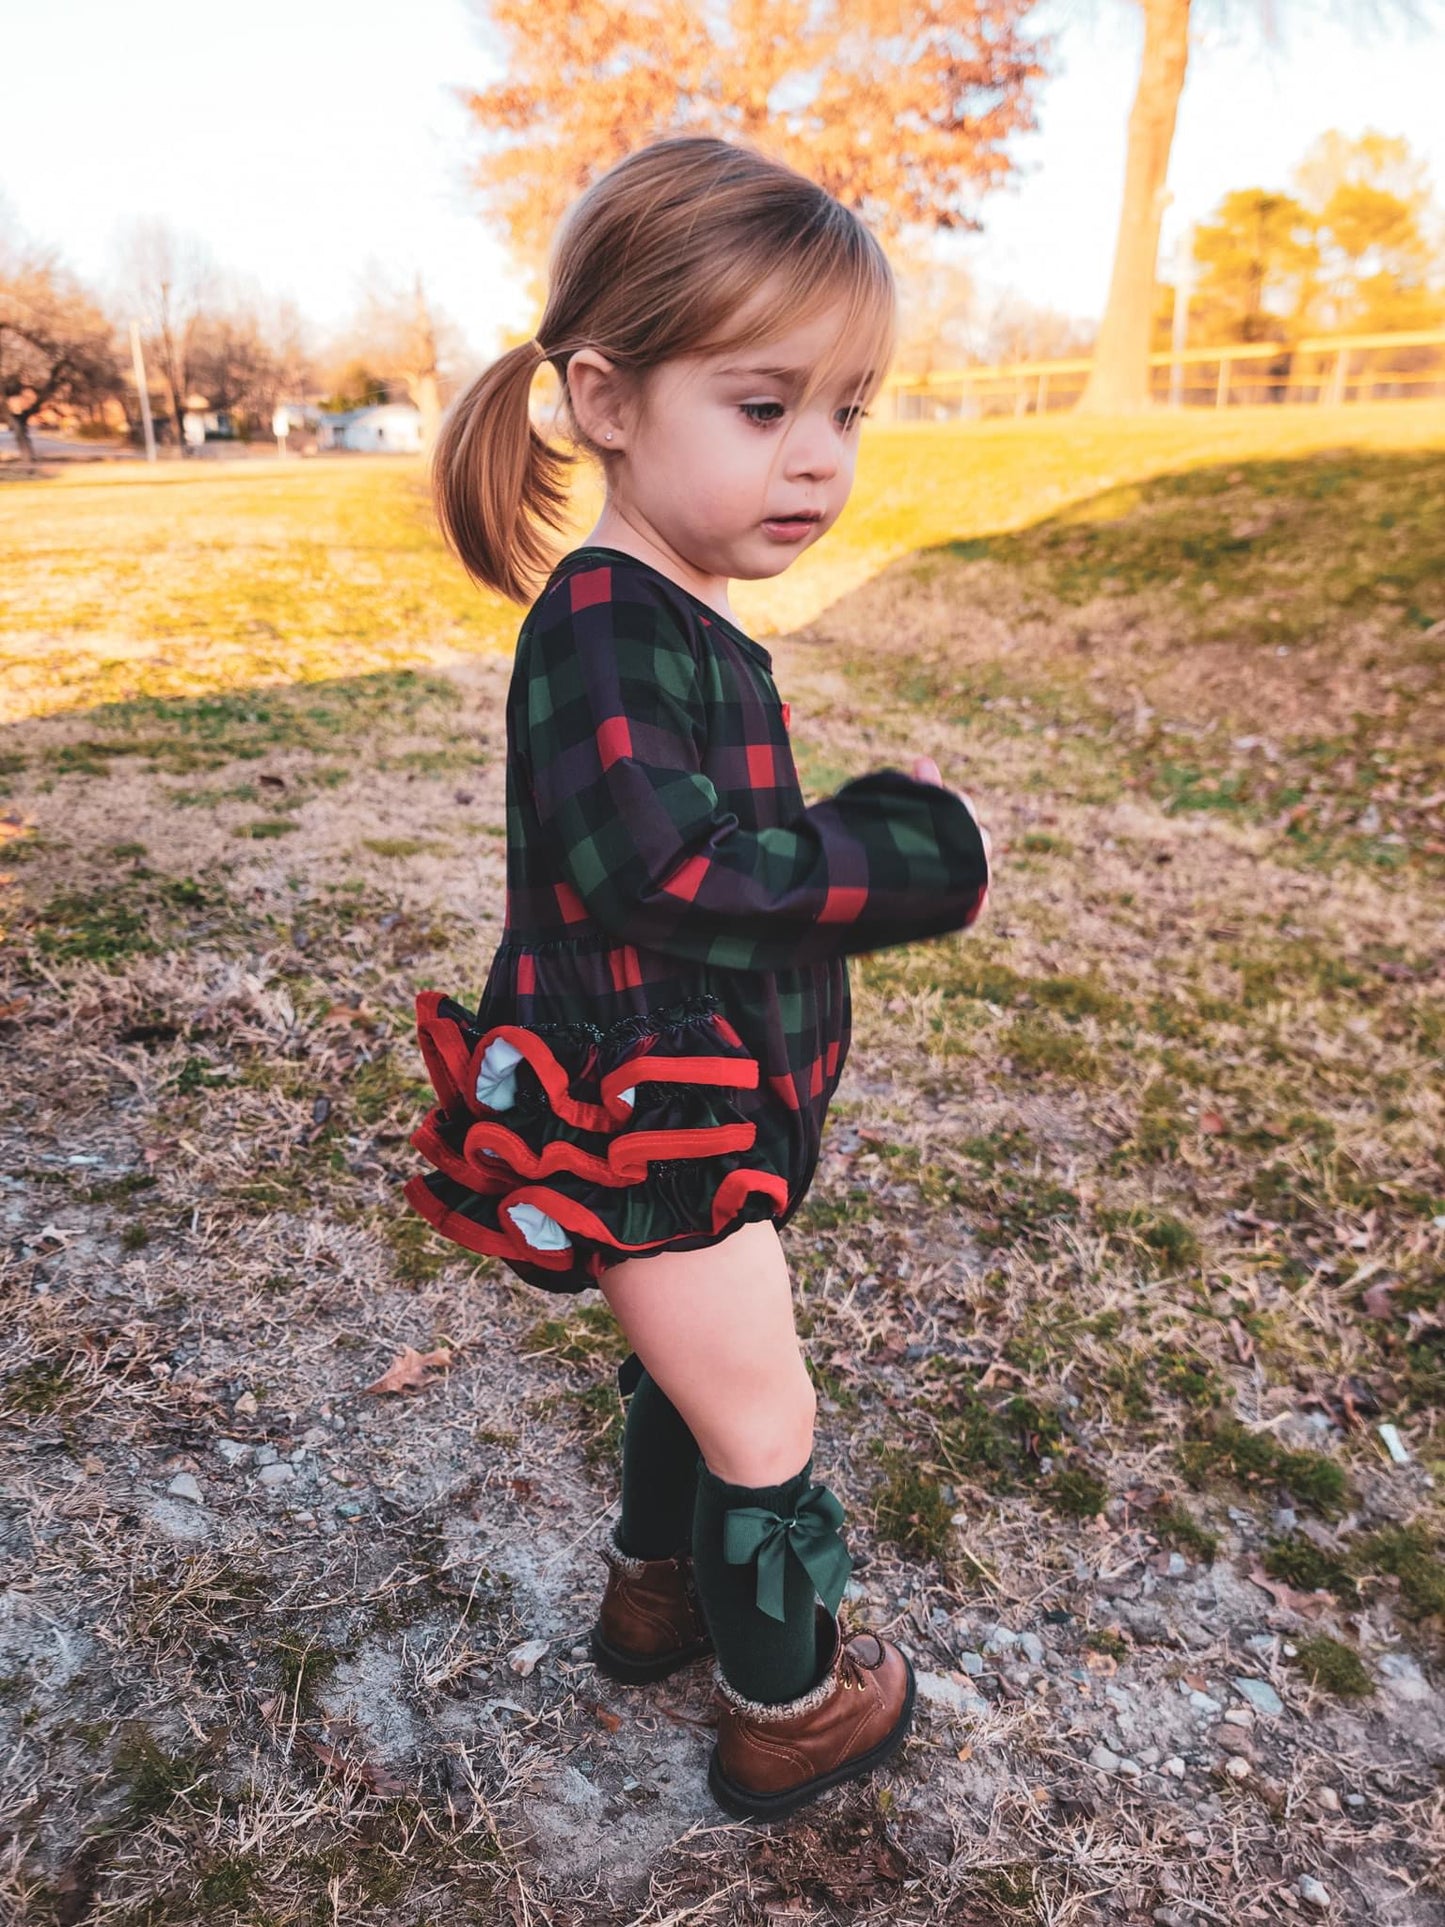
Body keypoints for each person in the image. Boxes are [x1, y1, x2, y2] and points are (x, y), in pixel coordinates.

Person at [406, 133, 993, 1822]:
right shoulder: (602, 617)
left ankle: (654, 1597)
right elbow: (668, 872)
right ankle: (788, 1703)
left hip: (679, 1096)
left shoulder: (674, 613)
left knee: (703, 1366)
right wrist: (912, 851)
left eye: (847, 412)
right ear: (603, 397)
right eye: (762, 408)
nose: (818, 460)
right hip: (640, 1105)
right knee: (761, 1408)